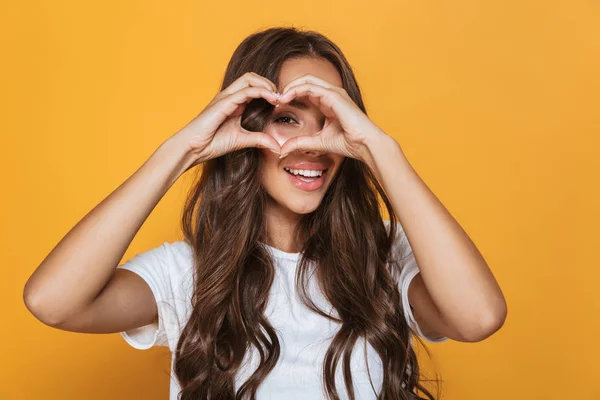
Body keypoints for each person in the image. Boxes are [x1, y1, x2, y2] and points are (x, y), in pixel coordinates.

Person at [23, 26, 507, 400]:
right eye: (287, 118)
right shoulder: (191, 273)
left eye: (331, 121)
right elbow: (53, 301)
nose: (313, 146)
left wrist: (382, 151)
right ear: (246, 125)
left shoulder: (384, 257)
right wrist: (183, 149)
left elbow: (479, 317)